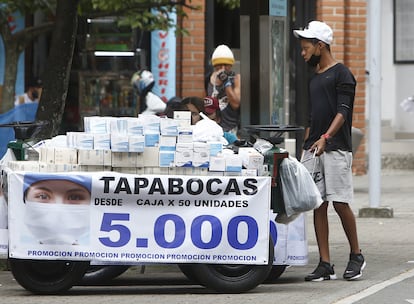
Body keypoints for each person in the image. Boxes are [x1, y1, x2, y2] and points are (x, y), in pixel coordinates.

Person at [293, 21, 366, 281]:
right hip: (314, 149)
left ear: (320, 46)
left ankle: (356, 254)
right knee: (318, 204)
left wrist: (326, 137)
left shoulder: (342, 74)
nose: (302, 53)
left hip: (335, 148)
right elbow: (313, 117)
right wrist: (306, 147)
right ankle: (325, 263)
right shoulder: (315, 78)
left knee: (340, 203)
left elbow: (343, 112)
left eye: (305, 48)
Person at [23, 174, 92, 245]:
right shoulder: (18, 248)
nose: (58, 212)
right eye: (43, 196)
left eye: (75, 197)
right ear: (25, 200)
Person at [206, 45, 241, 136]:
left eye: (226, 65)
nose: (222, 68)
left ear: (231, 65)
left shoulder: (236, 79)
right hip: (213, 127)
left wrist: (226, 83)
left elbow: (235, 104)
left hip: (231, 127)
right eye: (219, 65)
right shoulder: (208, 79)